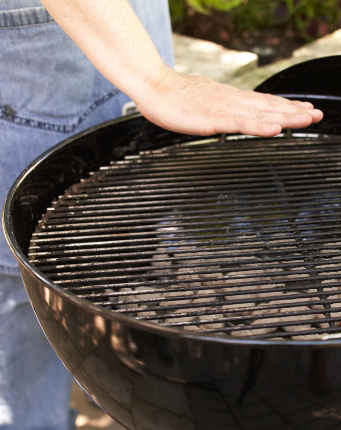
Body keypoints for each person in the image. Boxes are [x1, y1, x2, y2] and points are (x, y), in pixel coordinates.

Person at [0, 1, 323, 429]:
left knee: (114, 273)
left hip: (124, 43)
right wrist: (155, 81)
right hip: (33, 73)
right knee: (22, 333)